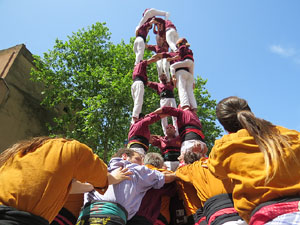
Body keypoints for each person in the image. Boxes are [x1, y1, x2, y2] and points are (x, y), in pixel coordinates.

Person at [207, 96, 300, 224]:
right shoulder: (290, 134)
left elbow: (216, 171)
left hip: (267, 216)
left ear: (225, 127)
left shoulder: (224, 146)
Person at [0, 137, 131, 225]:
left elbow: (70, 186)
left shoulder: (20, 154)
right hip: (21, 219)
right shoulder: (75, 150)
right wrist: (114, 177)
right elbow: (103, 178)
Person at [78, 148, 176, 225]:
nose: (142, 164)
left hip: (84, 217)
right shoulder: (134, 168)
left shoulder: (100, 169)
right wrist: (180, 174)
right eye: (137, 159)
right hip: (108, 218)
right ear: (125, 157)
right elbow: (165, 177)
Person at [176, 152, 246, 225]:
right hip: (240, 210)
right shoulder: (221, 163)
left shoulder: (191, 169)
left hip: (215, 215)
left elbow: (173, 175)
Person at [128, 152, 177, 225]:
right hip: (153, 218)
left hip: (129, 215)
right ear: (160, 164)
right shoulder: (164, 175)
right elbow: (173, 191)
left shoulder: (133, 171)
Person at [167, 38, 197, 111]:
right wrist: (193, 81)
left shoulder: (182, 47)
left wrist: (171, 59)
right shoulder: (188, 49)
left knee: (182, 88)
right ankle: (194, 107)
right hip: (190, 65)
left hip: (183, 69)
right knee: (189, 90)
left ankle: (185, 105)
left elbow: (179, 56)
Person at [131, 54, 161, 123]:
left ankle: (136, 116)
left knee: (136, 102)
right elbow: (150, 60)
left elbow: (147, 82)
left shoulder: (135, 68)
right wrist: (158, 58)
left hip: (134, 84)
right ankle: (135, 117)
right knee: (139, 101)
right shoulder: (141, 63)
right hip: (139, 83)